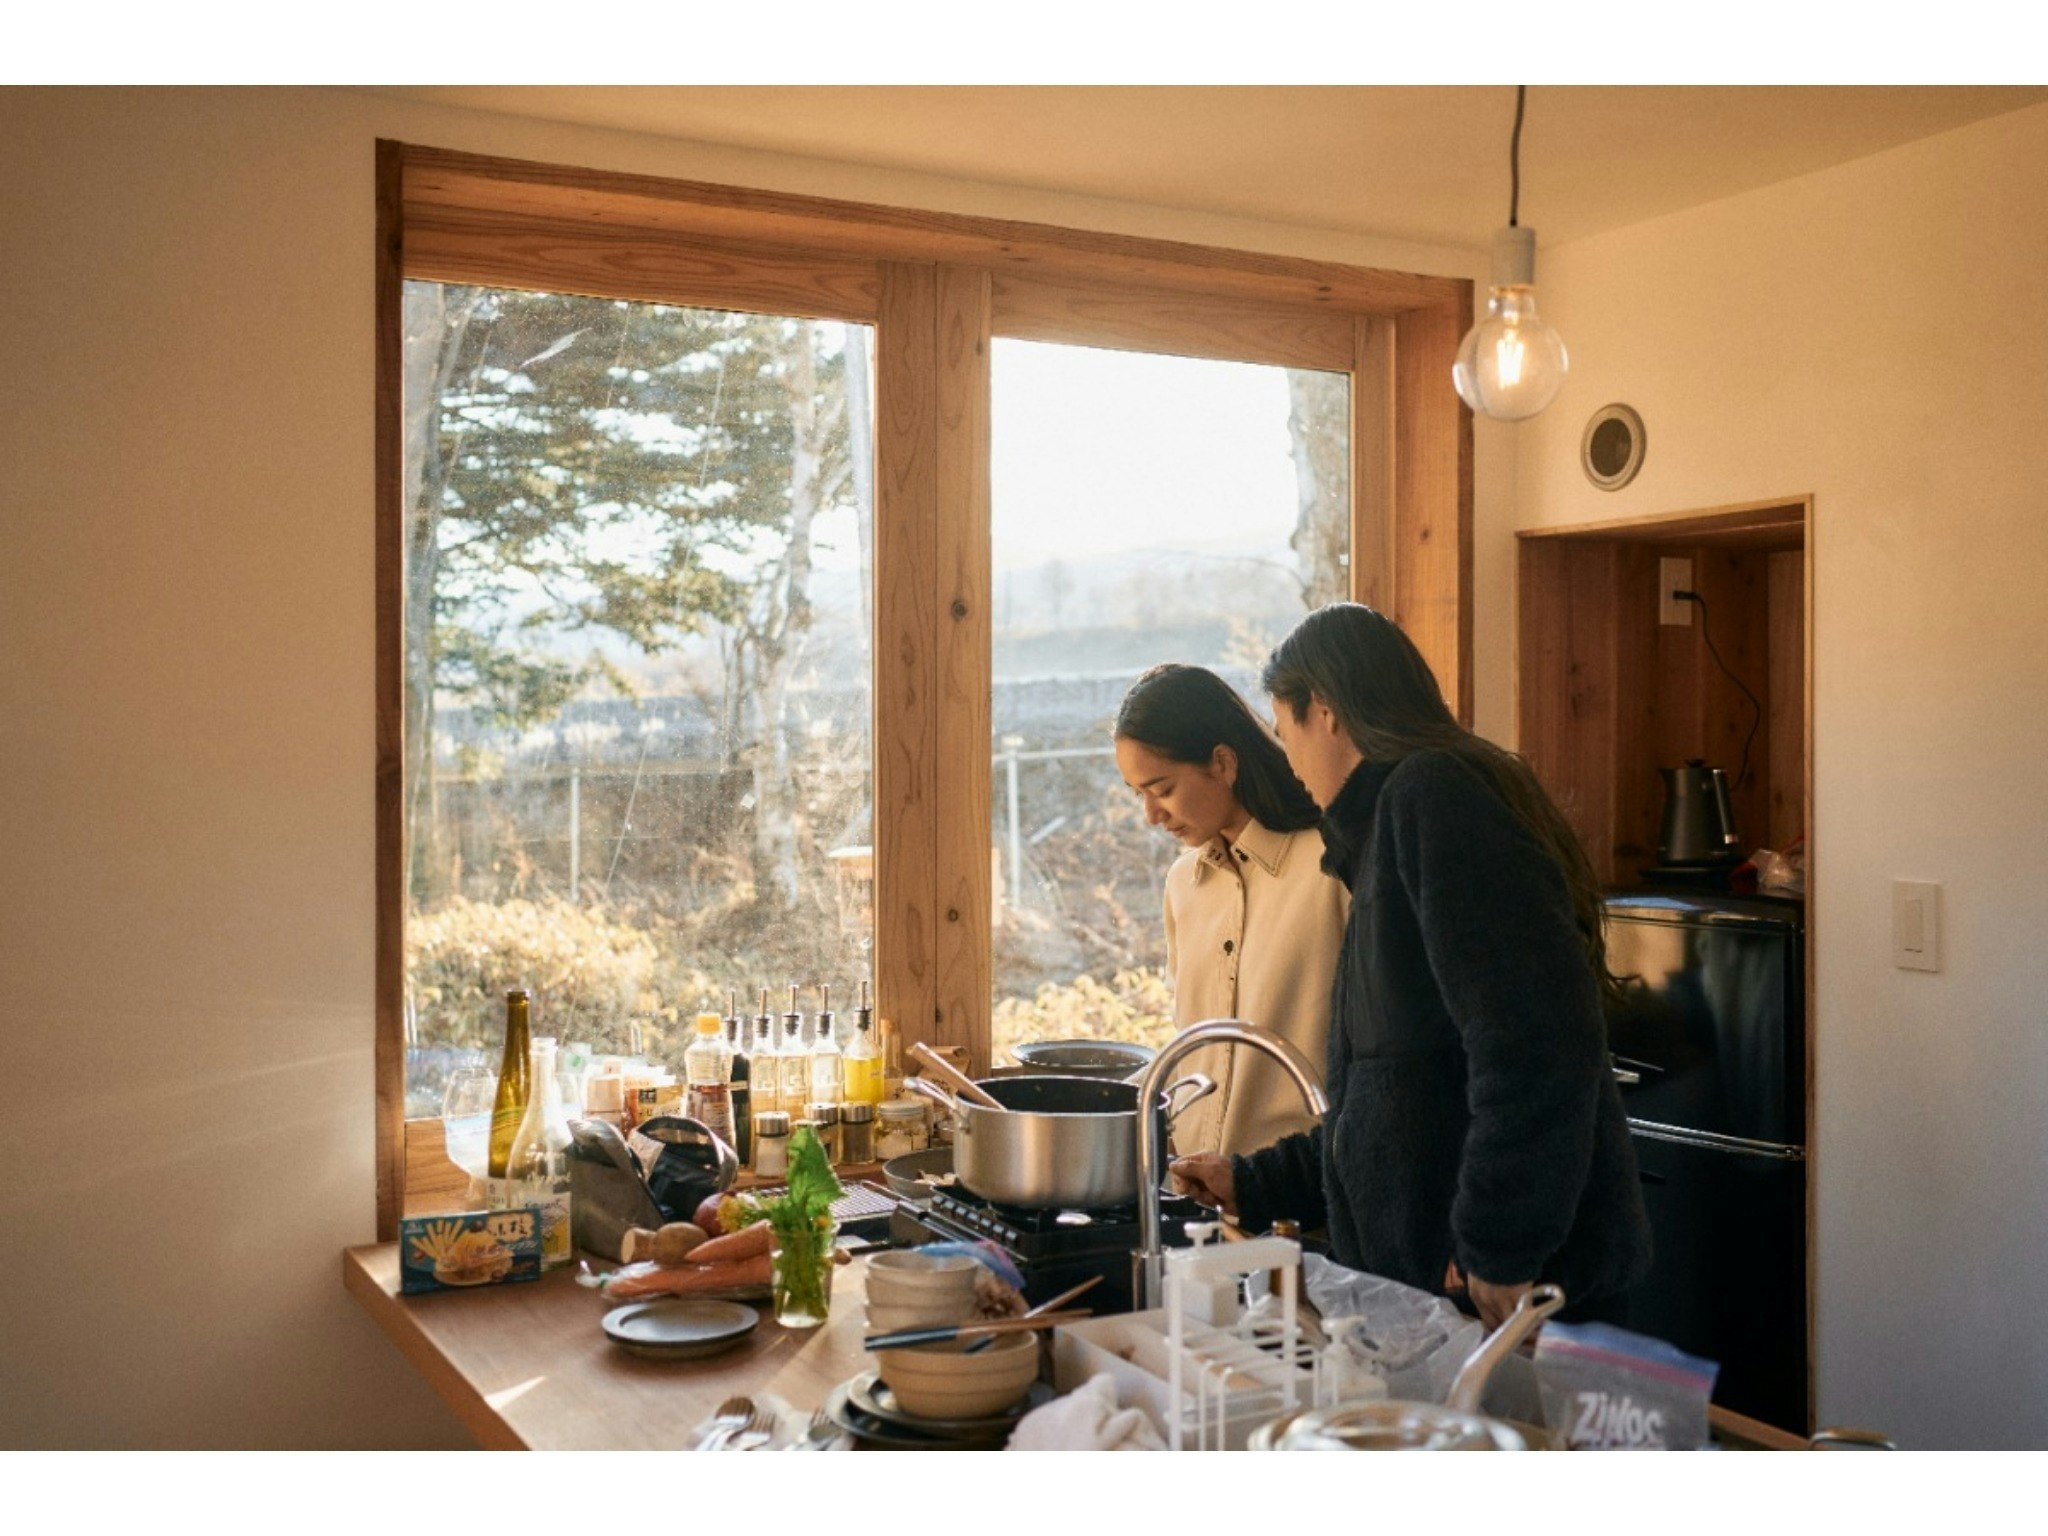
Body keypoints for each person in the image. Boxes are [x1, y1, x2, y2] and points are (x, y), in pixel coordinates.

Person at [1168, 605, 1652, 1327]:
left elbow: (1538, 1042)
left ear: (1324, 712)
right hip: (1444, 1284)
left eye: (1285, 729)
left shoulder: (1434, 798)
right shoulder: (1387, 832)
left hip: (1512, 1288)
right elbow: (1394, 1098)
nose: (1290, 761)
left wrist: (1499, 1243)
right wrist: (1254, 1181)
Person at [1113, 664, 1348, 1157]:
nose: (1151, 816)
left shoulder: (1333, 864)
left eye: (1162, 789)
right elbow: (1194, 1045)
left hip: (1305, 1189)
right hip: (1203, 1201)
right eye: (1140, 795)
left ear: (1222, 763)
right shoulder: (1184, 884)